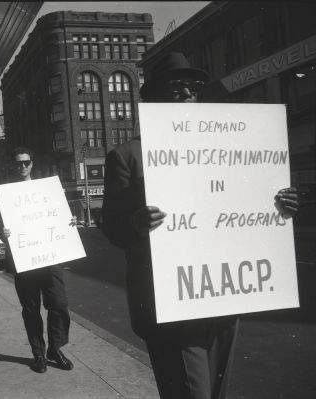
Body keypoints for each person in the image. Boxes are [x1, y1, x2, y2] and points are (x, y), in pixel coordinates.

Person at [101, 52, 300, 399]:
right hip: (170, 305)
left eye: (193, 88)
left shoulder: (227, 147)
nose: (187, 95)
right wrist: (136, 222)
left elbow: (246, 207)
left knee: (216, 391)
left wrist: (279, 204)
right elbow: (112, 228)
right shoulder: (129, 155)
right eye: (177, 88)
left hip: (221, 299)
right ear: (156, 98)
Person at [0, 147, 75, 374]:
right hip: (24, 258)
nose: (23, 167)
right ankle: (38, 353)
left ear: (32, 164)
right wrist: (3, 231)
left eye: (26, 163)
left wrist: (71, 221)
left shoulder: (48, 190)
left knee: (58, 303)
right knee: (31, 309)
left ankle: (55, 349)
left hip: (50, 257)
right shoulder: (4, 195)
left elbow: (61, 215)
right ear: (13, 166)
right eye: (18, 163)